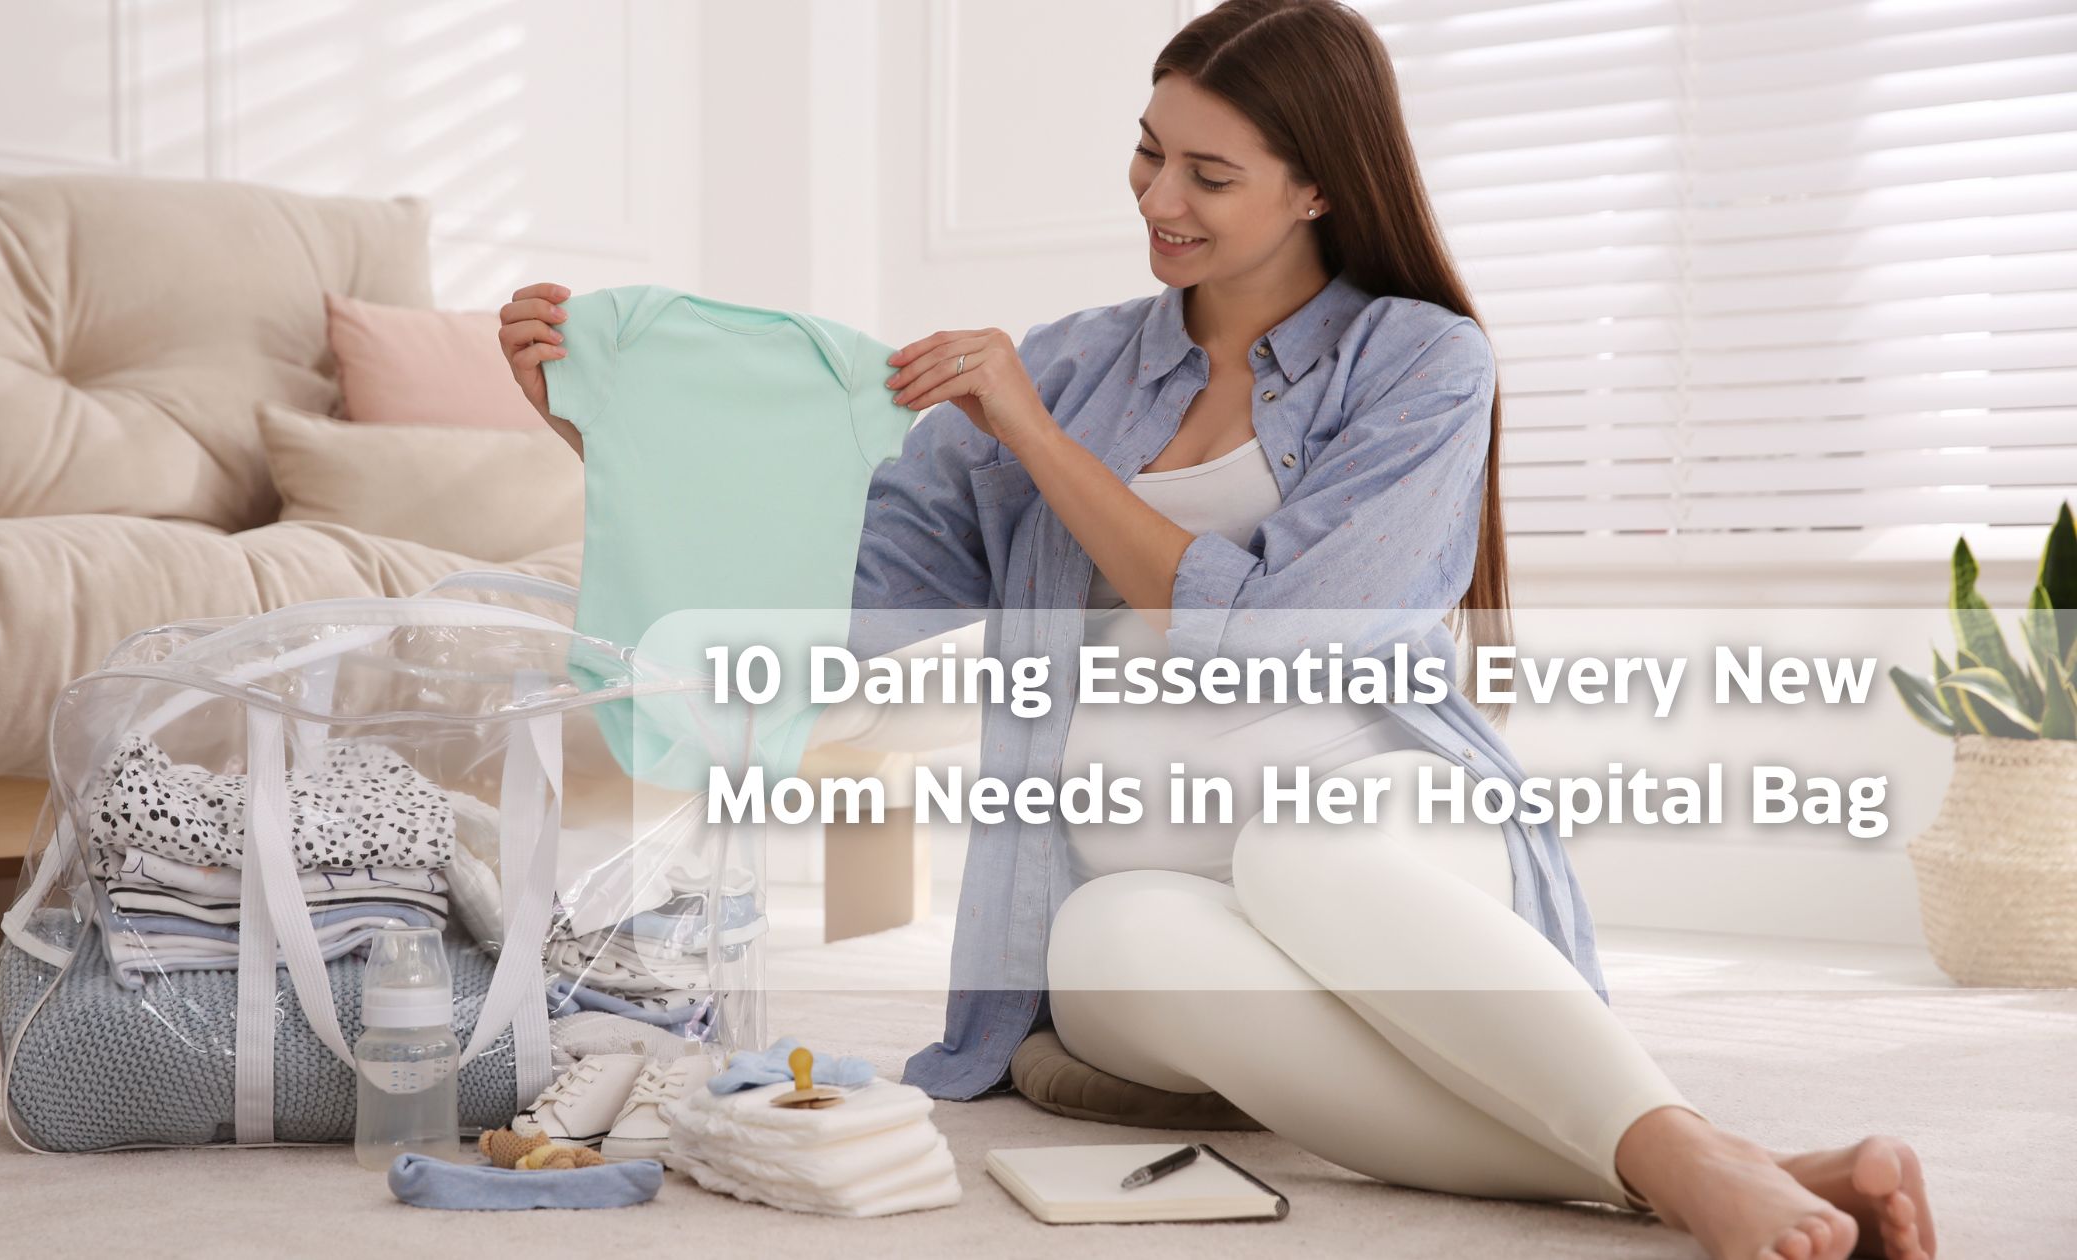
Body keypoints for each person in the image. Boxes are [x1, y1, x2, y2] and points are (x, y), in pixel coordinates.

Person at [499, 4, 1935, 1255]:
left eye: (1209, 172)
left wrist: (1038, 438)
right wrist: (600, 434)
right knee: (1111, 941)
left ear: (1317, 186)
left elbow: (1283, 647)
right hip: (1138, 879)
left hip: (1372, 821)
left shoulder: (1421, 362)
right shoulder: (1067, 359)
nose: (1157, 197)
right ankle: (1725, 1169)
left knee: (1300, 847)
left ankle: (1683, 1161)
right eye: (1147, 150)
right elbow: (829, 615)